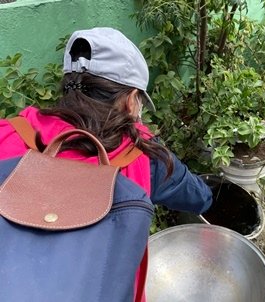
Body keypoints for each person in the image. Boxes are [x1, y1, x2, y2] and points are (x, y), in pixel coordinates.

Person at [0, 27, 212, 301]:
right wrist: (209, 198)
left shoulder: (8, 134)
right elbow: (196, 195)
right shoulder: (145, 157)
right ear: (130, 100)